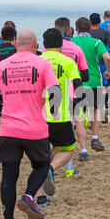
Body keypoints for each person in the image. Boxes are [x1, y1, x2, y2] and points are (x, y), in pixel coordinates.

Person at [0, 28, 60, 219]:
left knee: (8, 177)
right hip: (35, 128)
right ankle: (28, 196)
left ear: (16, 44)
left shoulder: (2, 66)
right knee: (42, 165)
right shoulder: (43, 63)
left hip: (9, 128)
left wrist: (1, 101)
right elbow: (55, 92)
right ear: (36, 46)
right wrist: (51, 111)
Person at [35, 28, 84, 207]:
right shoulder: (68, 61)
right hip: (60, 115)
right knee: (68, 150)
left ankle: (40, 197)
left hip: (38, 116)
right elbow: (79, 88)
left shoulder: (37, 61)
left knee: (41, 156)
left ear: (43, 44)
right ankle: (51, 169)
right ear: (62, 44)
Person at [72, 17, 110, 158]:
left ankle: (83, 150)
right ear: (89, 29)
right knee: (96, 110)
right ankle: (95, 137)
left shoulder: (71, 42)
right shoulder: (96, 42)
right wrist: (108, 70)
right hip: (94, 80)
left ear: (76, 29)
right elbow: (107, 57)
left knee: (79, 116)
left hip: (77, 82)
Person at [54, 17, 89, 171]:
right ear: (70, 31)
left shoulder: (49, 50)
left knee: (52, 131)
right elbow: (85, 75)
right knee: (74, 126)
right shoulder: (76, 49)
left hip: (52, 93)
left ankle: (49, 166)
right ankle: (73, 163)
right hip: (72, 92)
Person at [0, 25, 18, 164]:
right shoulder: (17, 51)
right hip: (14, 88)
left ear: (1, 37)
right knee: (14, 119)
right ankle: (13, 149)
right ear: (15, 38)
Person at [89, 13, 110, 122]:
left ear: (90, 22)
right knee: (105, 88)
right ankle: (105, 109)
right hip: (103, 63)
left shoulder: (87, 33)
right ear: (99, 21)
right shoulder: (105, 32)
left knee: (92, 89)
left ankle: (92, 112)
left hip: (91, 64)